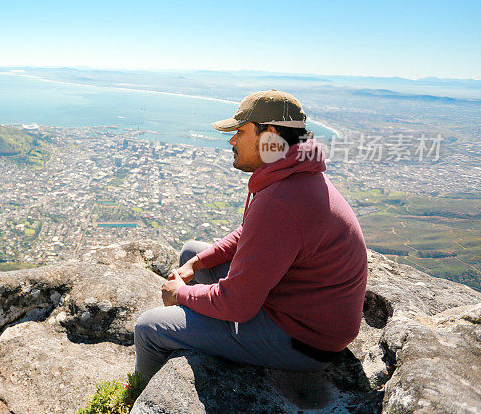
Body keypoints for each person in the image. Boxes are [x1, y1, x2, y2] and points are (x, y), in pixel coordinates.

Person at [134, 89, 368, 379]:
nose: (232, 140)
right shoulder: (297, 175)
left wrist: (181, 295)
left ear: (269, 135)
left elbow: (238, 304)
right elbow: (252, 232)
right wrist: (197, 264)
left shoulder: (282, 200)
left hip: (304, 340)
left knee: (149, 328)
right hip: (303, 309)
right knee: (192, 253)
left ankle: (137, 395)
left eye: (240, 131)